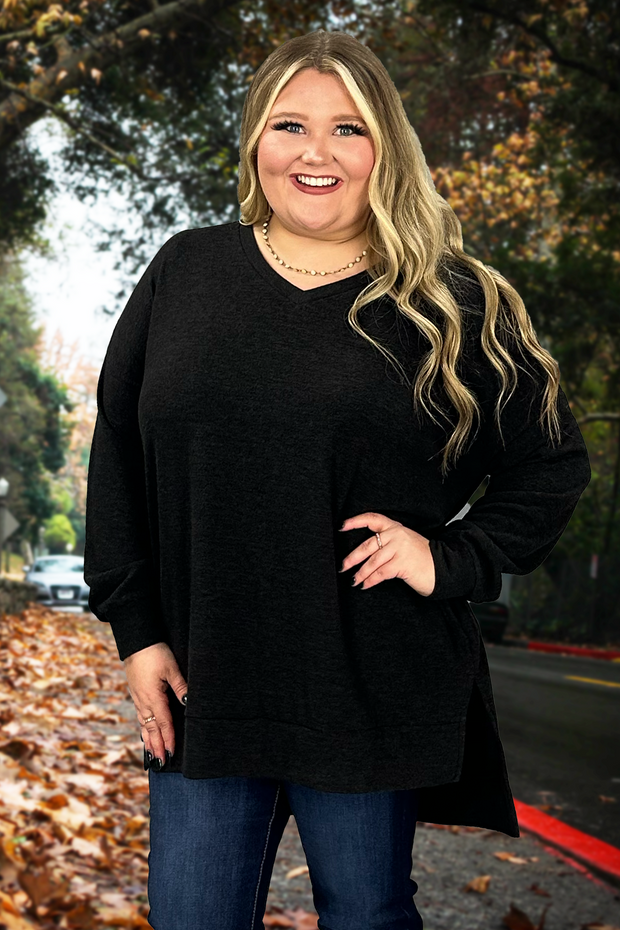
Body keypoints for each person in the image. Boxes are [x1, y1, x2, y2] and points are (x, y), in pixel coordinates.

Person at [83, 28, 591, 930]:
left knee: (366, 915)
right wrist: (138, 634)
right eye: (290, 125)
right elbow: (118, 450)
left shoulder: (449, 300)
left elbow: (551, 461)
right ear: (256, 140)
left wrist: (450, 556)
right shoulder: (186, 272)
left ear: (383, 148)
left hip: (367, 683)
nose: (315, 153)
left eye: (347, 129)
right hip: (207, 681)